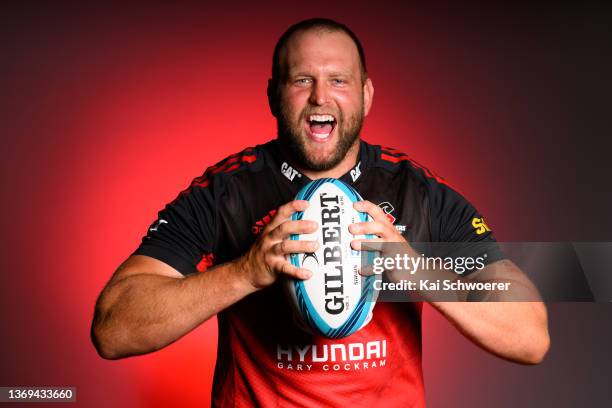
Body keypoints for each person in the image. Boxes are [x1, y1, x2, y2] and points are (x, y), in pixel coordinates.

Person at [91, 18, 550, 407]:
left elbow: (529, 336)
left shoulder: (417, 192)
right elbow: (113, 330)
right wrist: (246, 272)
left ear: (366, 95)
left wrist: (413, 269)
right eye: (302, 80)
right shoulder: (226, 191)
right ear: (274, 95)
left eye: (338, 80)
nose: (320, 98)